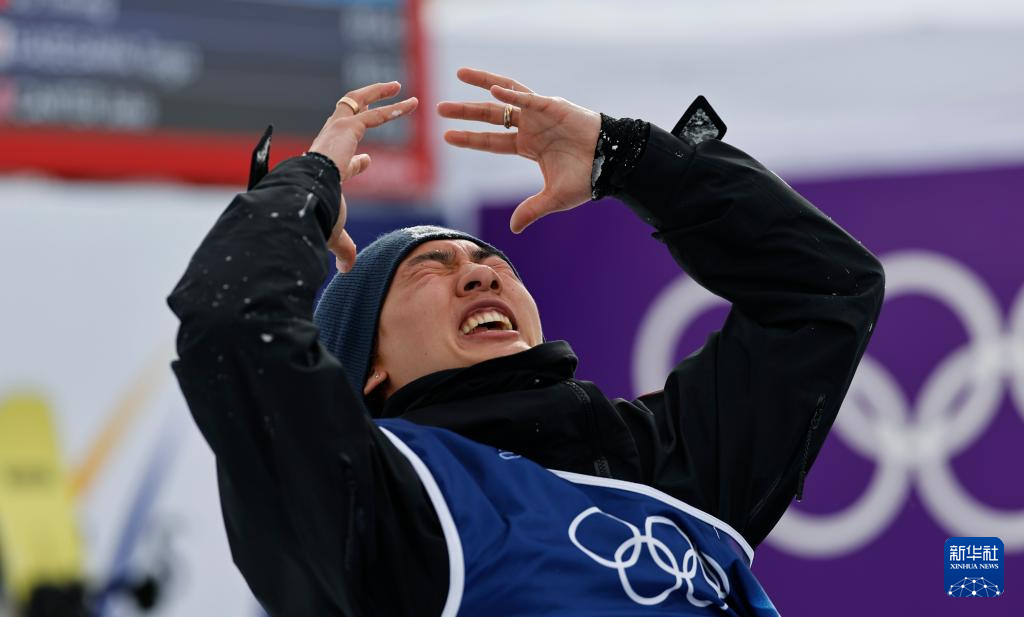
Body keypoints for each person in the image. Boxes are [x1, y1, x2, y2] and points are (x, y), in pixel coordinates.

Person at [168, 69, 884, 616]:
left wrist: (630, 157)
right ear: (368, 366)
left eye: (495, 264)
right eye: (430, 268)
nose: (480, 273)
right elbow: (233, 326)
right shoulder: (377, 501)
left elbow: (823, 288)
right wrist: (308, 188)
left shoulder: (669, 464)